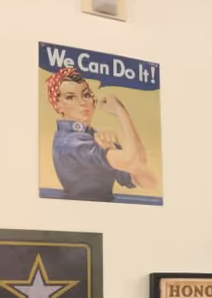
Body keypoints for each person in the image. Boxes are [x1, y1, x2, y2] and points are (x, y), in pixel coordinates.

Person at [46, 67, 156, 201]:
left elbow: (149, 182)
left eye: (86, 95)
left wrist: (113, 149)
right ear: (57, 105)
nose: (82, 102)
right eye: (70, 97)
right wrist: (121, 112)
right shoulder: (70, 142)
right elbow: (135, 162)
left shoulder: (94, 137)